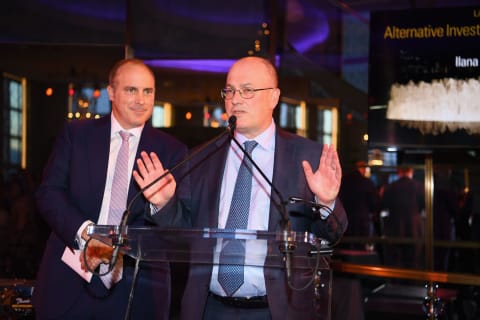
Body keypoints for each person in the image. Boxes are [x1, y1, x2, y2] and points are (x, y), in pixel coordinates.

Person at [179, 56, 348, 320]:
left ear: (273, 97)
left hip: (276, 310)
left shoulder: (307, 156)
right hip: (208, 308)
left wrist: (325, 203)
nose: (235, 99)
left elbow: (333, 235)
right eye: (230, 90)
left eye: (247, 90)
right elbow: (180, 229)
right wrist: (163, 203)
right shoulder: (202, 157)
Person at [33, 58, 189, 320]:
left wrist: (162, 204)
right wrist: (88, 235)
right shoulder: (77, 135)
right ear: (111, 93)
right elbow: (49, 194)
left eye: (148, 91)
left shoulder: (172, 151)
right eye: (131, 90)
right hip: (71, 277)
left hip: (139, 288)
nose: (141, 100)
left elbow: (180, 227)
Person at [381, 166, 425, 268]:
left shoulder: (391, 187)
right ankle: (411, 283)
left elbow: (383, 205)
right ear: (411, 171)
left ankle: (396, 283)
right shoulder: (419, 187)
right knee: (413, 262)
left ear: (399, 172)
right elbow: (424, 206)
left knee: (396, 263)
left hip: (394, 228)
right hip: (414, 229)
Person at [339, 160, 380, 249]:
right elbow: (373, 203)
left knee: (345, 246)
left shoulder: (343, 181)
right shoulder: (367, 183)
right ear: (363, 169)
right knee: (359, 247)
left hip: (345, 218)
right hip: (362, 220)